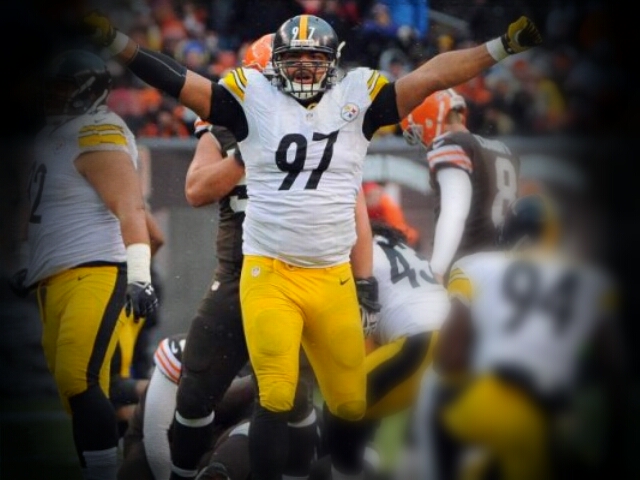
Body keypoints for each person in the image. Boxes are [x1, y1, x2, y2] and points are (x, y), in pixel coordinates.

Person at [82, 11, 542, 479]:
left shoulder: (356, 97)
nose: (303, 68)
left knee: (349, 403)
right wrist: (117, 40)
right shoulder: (250, 98)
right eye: (294, 58)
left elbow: (433, 76)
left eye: (314, 58)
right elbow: (178, 80)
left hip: (331, 277)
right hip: (269, 273)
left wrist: (502, 45)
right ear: (275, 64)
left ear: (334, 62)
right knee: (275, 395)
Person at [15, 49, 158, 480]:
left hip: (95, 269)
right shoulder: (54, 135)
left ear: (89, 90)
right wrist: (24, 261)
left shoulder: (98, 129)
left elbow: (130, 208)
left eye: (62, 88)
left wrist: (140, 277)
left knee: (80, 380)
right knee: (70, 390)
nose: (52, 96)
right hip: (54, 279)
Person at [414, 194, 626, 480]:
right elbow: (614, 371)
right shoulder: (591, 281)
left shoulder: (477, 268)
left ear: (508, 234)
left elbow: (448, 357)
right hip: (550, 417)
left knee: (435, 384)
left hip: (483, 406)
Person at [314, 219, 450, 479]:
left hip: (420, 343)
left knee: (342, 403)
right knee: (367, 398)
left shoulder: (360, 254)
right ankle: (364, 461)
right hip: (455, 345)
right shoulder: (405, 251)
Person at [118, 332, 319, 480]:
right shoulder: (183, 351)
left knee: (253, 436)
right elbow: (155, 436)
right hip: (165, 440)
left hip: (222, 437)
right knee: (142, 458)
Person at [400, 88, 521, 285]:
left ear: (429, 119)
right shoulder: (503, 149)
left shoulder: (450, 143)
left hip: (469, 268)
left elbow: (454, 210)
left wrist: (437, 268)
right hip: (505, 265)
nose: (421, 140)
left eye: (418, 132)